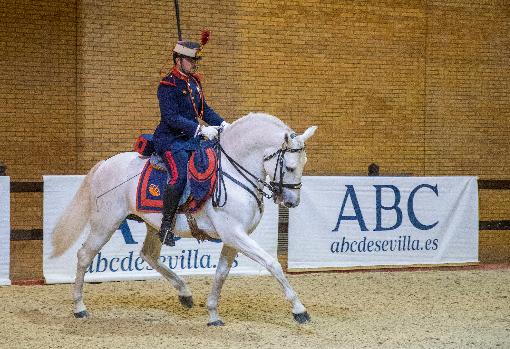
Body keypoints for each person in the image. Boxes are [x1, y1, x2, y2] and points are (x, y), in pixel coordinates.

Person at [153, 31, 229, 246]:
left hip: (191, 139)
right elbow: (171, 117)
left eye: (196, 60)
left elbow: (204, 110)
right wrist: (199, 130)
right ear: (179, 61)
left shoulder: (194, 82)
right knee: (179, 177)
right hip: (170, 139)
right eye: (191, 60)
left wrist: (223, 124)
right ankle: (166, 226)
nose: (195, 64)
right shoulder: (167, 85)